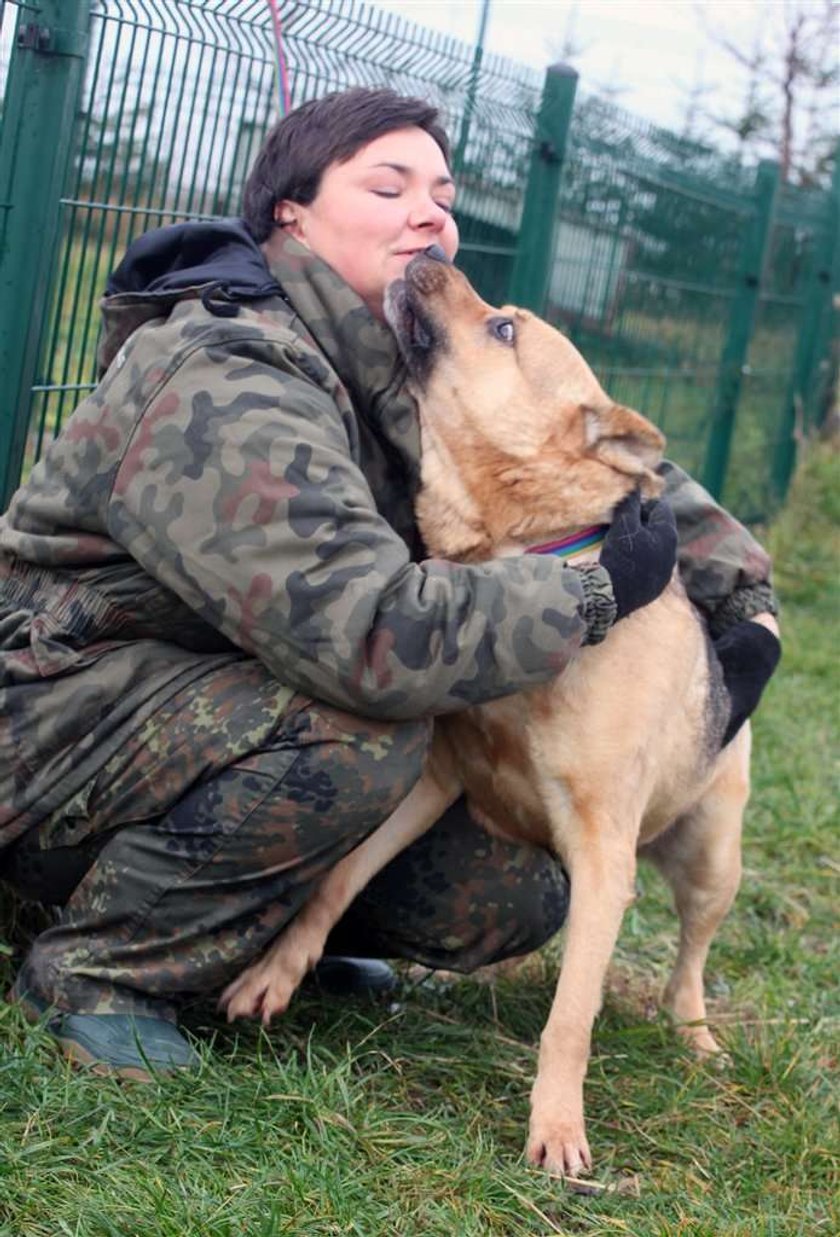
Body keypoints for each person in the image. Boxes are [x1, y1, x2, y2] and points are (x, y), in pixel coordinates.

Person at [0, 88, 780, 1079]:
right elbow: (372, 637)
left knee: (508, 887)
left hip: (197, 708)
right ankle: (101, 970)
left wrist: (748, 600)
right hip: (48, 716)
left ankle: (260, 927)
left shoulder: (382, 360)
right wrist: (593, 596)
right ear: (293, 212)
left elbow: (576, 446)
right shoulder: (228, 375)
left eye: (443, 193)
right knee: (373, 732)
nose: (432, 215)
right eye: (388, 184)